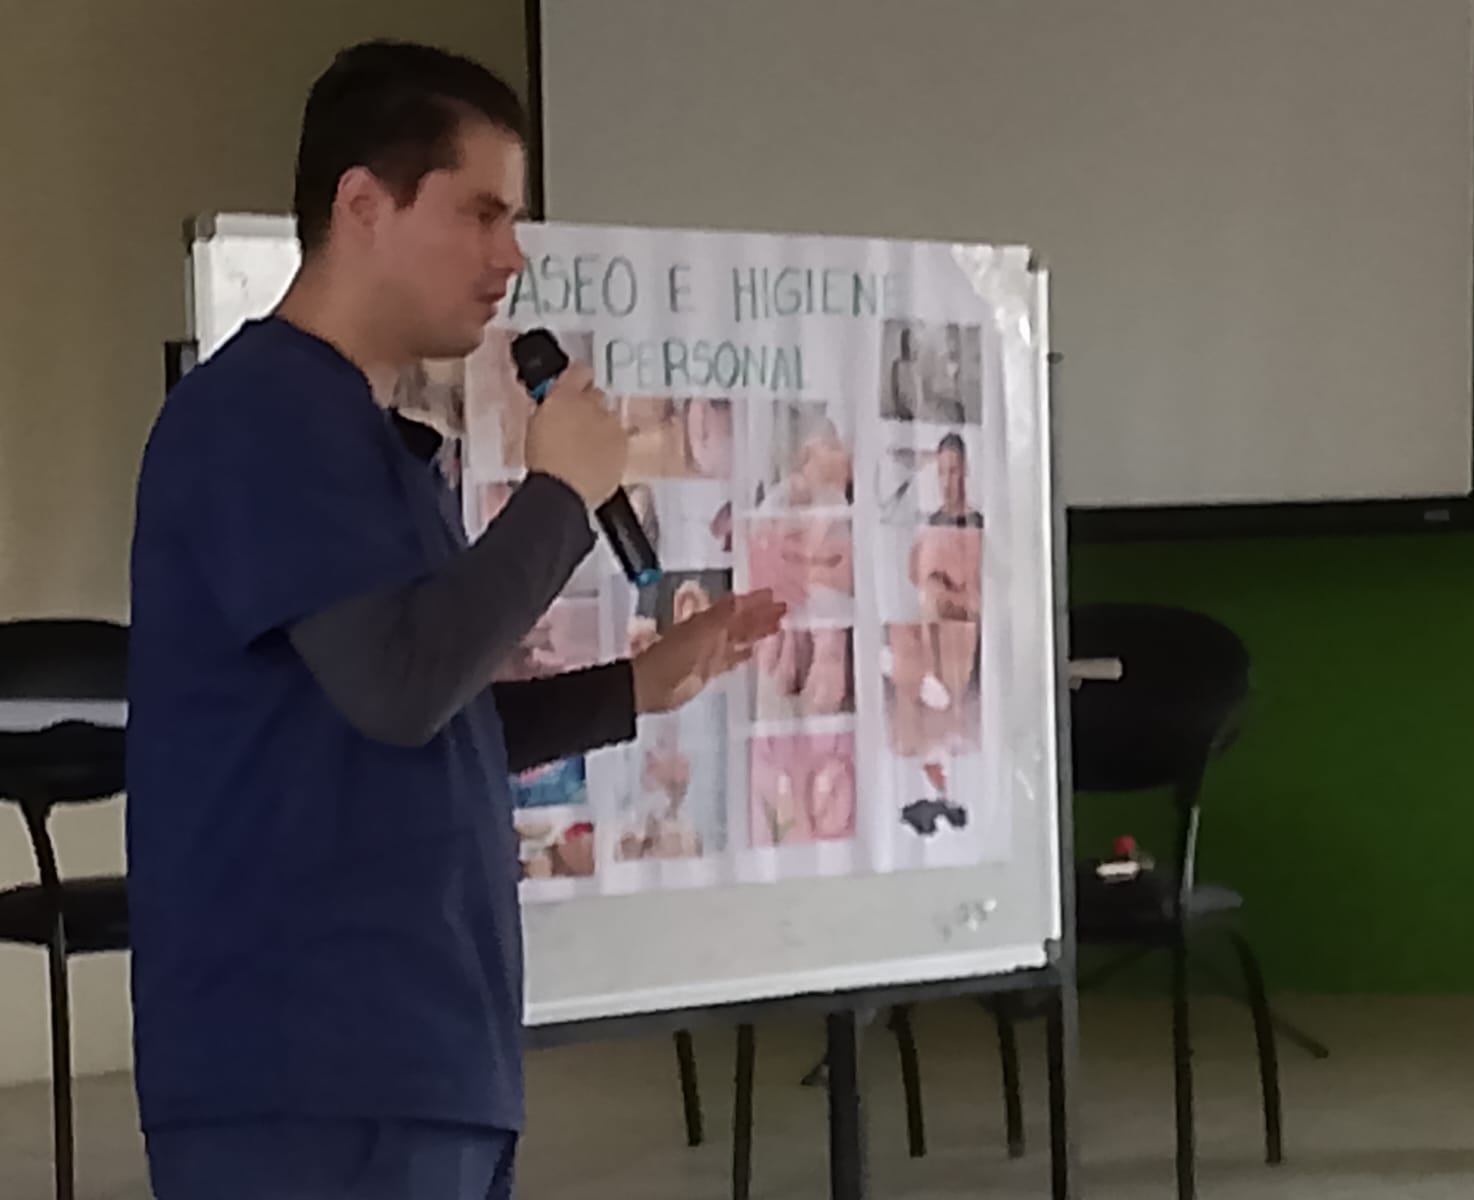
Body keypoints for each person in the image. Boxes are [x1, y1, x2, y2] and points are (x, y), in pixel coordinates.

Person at [125, 40, 783, 1200]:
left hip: (416, 1051)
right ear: (363, 205)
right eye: (481, 214)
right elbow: (401, 687)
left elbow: (422, 716)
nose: (510, 257)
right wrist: (561, 493)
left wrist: (636, 688)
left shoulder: (368, 438)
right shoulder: (261, 414)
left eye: (513, 221)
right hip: (309, 1067)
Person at [927, 431, 983, 528]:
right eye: (942, 472)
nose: (946, 483)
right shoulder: (933, 524)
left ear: (964, 470)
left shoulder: (978, 523)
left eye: (953, 472)